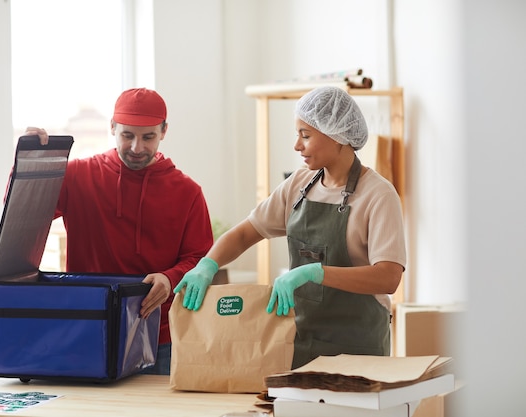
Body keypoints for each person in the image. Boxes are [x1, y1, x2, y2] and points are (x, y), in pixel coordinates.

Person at [174, 86, 406, 369]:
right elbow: (247, 232)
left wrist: (316, 273)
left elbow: (388, 277)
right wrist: (208, 264)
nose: (297, 146)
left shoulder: (378, 195)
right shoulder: (299, 185)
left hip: (357, 347)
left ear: (337, 137)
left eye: (305, 136)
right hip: (298, 342)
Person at [25, 87, 214, 375]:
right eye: (128, 135)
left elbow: (201, 258)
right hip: (88, 329)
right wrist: (30, 160)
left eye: (148, 137)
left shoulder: (188, 192)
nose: (137, 147)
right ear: (112, 127)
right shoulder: (77, 176)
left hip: (160, 336)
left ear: (163, 131)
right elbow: (23, 212)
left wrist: (169, 277)